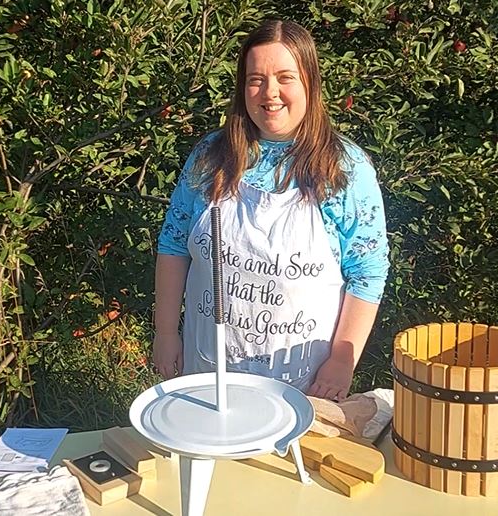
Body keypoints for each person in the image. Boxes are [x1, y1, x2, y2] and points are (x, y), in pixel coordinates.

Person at [153, 19, 389, 401]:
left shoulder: (345, 168)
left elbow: (368, 272)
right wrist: (165, 332)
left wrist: (342, 361)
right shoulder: (210, 157)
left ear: (310, 82)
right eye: (256, 79)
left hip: (302, 385)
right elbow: (174, 245)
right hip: (206, 375)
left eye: (285, 77)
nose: (270, 93)